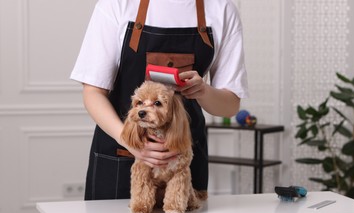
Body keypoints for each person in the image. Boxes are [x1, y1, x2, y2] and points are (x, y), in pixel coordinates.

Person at [71, 0, 249, 200]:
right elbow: (93, 93)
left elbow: (230, 105)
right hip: (120, 151)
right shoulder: (117, 4)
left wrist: (203, 91)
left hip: (181, 159)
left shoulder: (222, 9)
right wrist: (130, 142)